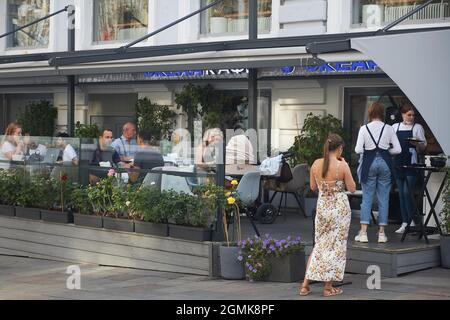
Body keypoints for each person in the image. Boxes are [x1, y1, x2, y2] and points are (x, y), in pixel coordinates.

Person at [299, 133, 356, 297]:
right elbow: (352, 188)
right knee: (335, 247)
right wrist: (346, 165)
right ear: (339, 148)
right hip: (339, 208)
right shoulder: (341, 166)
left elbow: (312, 187)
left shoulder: (316, 164)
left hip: (323, 206)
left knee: (320, 244)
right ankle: (328, 288)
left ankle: (305, 285)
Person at [355, 102, 402, 243]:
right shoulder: (389, 128)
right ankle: (381, 233)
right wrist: (386, 151)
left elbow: (358, 150)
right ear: (383, 113)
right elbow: (398, 149)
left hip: (369, 164)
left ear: (370, 113)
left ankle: (363, 233)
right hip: (385, 163)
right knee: (384, 199)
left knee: (367, 198)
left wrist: (369, 152)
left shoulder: (364, 128)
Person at [392, 103, 427, 234]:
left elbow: (423, 148)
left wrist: (417, 144)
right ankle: (405, 222)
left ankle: (412, 220)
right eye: (409, 115)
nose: (411, 117)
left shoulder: (418, 127)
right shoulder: (394, 127)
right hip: (398, 162)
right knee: (401, 194)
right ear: (402, 115)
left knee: (407, 192)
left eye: (413, 115)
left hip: (411, 163)